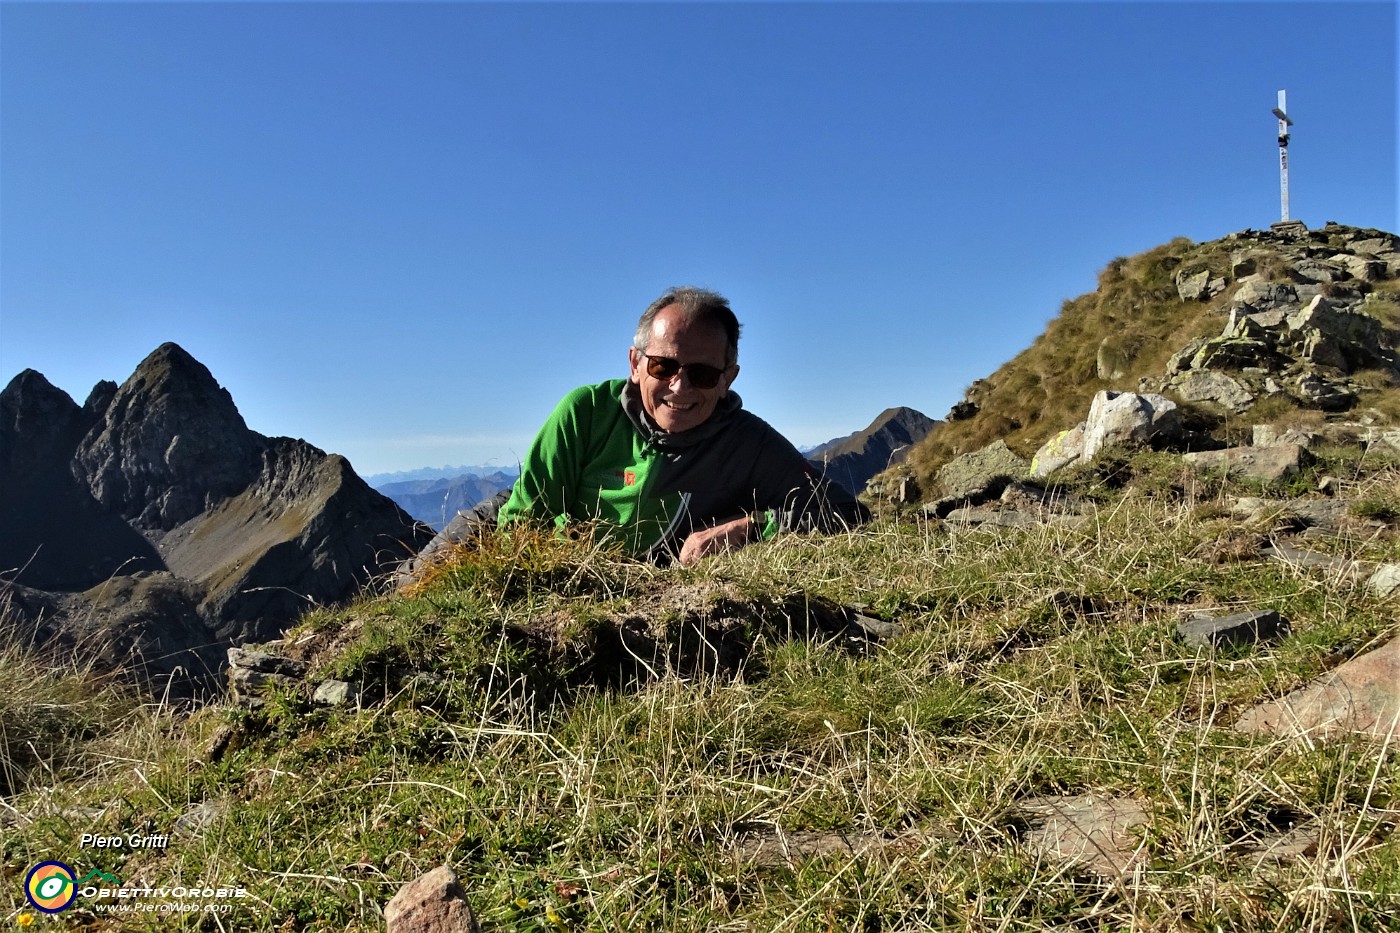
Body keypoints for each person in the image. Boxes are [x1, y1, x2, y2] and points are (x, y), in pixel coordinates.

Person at [420, 286, 867, 568]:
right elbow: (520, 525)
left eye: (703, 374)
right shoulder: (584, 412)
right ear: (635, 364)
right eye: (662, 365)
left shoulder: (750, 443)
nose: (679, 385)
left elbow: (849, 518)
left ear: (729, 379)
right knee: (405, 593)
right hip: (507, 510)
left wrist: (748, 527)